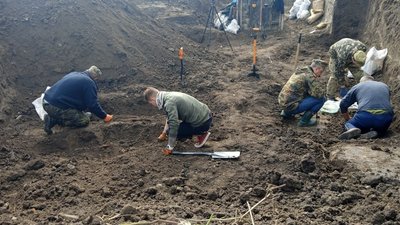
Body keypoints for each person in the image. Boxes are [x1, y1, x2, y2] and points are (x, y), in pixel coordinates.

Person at [42, 66, 113, 135]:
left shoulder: (74, 74)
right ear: (95, 77)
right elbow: (92, 104)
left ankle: (57, 117)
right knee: (84, 121)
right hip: (54, 106)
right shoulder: (89, 82)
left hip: (46, 100)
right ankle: (52, 120)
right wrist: (104, 116)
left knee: (84, 114)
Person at [144, 87, 212, 155]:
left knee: (172, 131)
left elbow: (174, 124)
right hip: (206, 115)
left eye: (151, 103)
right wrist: (164, 133)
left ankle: (201, 133)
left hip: (202, 123)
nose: (153, 105)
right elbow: (169, 117)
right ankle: (193, 133)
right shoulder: (167, 96)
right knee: (170, 130)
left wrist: (170, 147)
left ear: (152, 99)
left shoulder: (169, 103)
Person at [338, 75, 394, 140]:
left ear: (361, 82)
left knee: (349, 123)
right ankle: (377, 133)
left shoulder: (358, 86)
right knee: (382, 130)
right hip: (385, 118)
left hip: (365, 116)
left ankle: (352, 129)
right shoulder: (384, 86)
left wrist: (347, 118)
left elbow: (343, 104)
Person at [278, 59, 328, 127]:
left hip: (283, 102)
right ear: (317, 69)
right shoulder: (310, 77)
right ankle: (304, 121)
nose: (320, 75)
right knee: (321, 99)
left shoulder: (301, 71)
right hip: (290, 107)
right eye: (321, 72)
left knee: (306, 94)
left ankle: (286, 113)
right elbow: (319, 94)